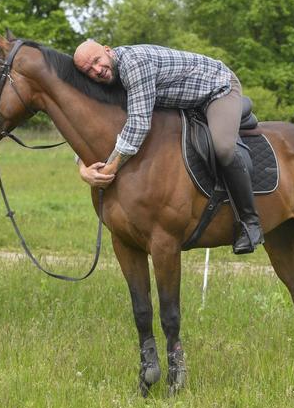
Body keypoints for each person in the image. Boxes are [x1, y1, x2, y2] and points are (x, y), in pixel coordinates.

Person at [72, 40, 263, 254]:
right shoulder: (108, 77)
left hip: (218, 88)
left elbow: (138, 123)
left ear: (108, 51)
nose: (97, 70)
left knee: (223, 148)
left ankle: (250, 222)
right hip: (186, 100)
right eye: (89, 70)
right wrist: (82, 167)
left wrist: (111, 168)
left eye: (97, 61)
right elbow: (94, 129)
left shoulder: (134, 65)